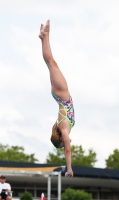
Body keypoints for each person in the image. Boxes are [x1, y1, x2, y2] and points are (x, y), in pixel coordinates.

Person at [39, 20, 75, 177]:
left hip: (61, 94)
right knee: (50, 63)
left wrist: (69, 169)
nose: (66, 143)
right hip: (59, 94)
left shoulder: (64, 131)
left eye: (62, 144)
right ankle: (43, 37)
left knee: (51, 62)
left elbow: (67, 151)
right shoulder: (63, 128)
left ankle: (45, 36)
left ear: (60, 139)